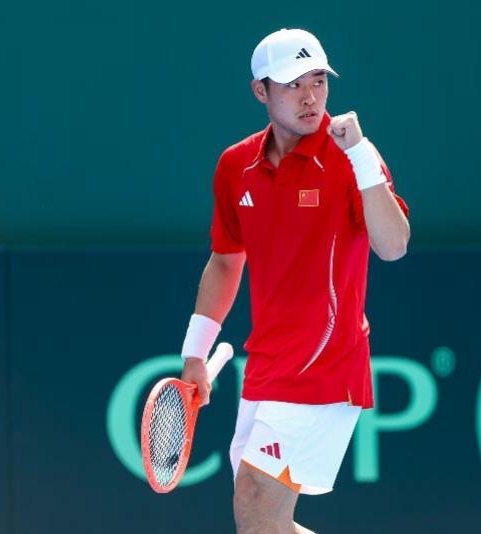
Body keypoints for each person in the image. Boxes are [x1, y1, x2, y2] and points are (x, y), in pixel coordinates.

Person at [179, 28, 410, 533]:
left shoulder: (353, 158)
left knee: (256, 502)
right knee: (263, 524)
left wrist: (362, 155)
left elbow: (393, 246)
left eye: (318, 81)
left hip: (327, 365)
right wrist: (195, 353)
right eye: (292, 84)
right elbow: (225, 260)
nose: (310, 97)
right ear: (260, 90)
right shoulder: (235, 165)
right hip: (267, 366)